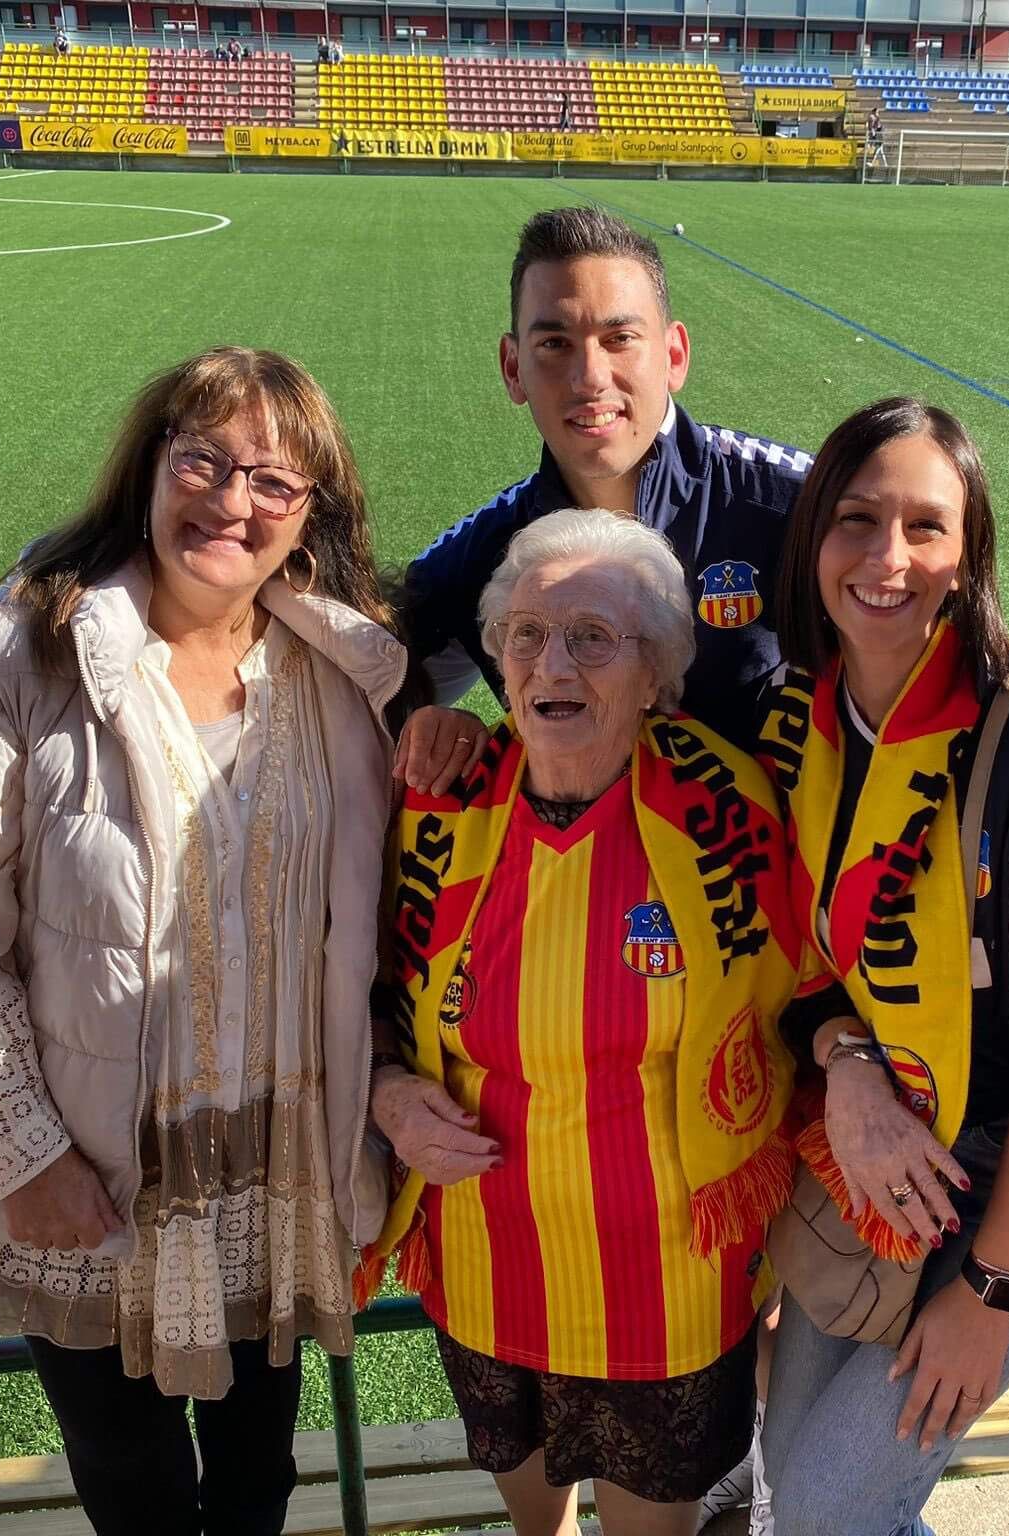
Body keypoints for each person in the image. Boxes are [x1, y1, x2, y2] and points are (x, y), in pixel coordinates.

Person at [0, 349, 409, 1535]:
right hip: (99, 1183)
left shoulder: (339, 668)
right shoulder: (19, 652)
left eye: (272, 480)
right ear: (150, 469)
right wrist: (23, 1154)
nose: (230, 501)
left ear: (308, 517)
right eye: (205, 461)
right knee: (140, 1498)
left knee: (260, 1484)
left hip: (278, 1171)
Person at [364, 508, 803, 1536]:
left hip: (667, 1287)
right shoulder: (437, 796)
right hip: (484, 1264)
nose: (551, 662)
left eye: (592, 639)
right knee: (533, 1524)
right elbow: (351, 988)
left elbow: (808, 995)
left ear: (655, 673)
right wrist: (386, 1092)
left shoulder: (734, 809)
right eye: (525, 635)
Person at [755, 399, 1009, 1536]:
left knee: (827, 1511)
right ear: (811, 539)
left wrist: (988, 1293)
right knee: (799, 1473)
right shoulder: (803, 718)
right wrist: (847, 1069)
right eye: (856, 520)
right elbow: (806, 962)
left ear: (967, 556)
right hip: (891, 1142)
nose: (886, 560)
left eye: (925, 528)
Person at [396, 206, 812, 772]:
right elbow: (351, 680)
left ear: (673, 355)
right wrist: (438, 728)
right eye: (555, 344)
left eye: (619, 338)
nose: (590, 377)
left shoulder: (794, 506)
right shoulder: (483, 554)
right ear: (512, 368)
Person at [866, 106, 887, 170]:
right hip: (879, 137)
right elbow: (873, 127)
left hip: (880, 138)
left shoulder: (877, 121)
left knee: (878, 150)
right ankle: (885, 164)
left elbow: (876, 127)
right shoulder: (875, 120)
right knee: (880, 151)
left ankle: (873, 163)